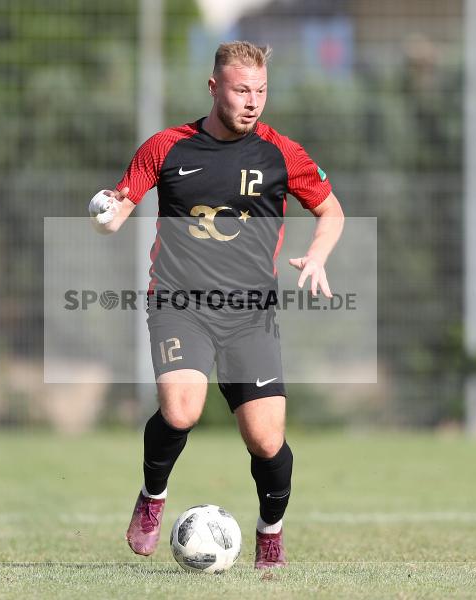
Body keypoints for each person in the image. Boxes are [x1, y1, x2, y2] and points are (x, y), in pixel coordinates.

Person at [88, 41, 344, 569]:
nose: (252, 101)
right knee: (182, 409)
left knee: (266, 441)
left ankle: (270, 532)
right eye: (241, 89)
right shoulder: (166, 147)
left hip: (251, 315)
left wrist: (317, 257)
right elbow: (121, 207)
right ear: (214, 88)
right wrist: (107, 214)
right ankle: (152, 497)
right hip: (179, 303)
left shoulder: (282, 153)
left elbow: (331, 210)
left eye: (260, 91)